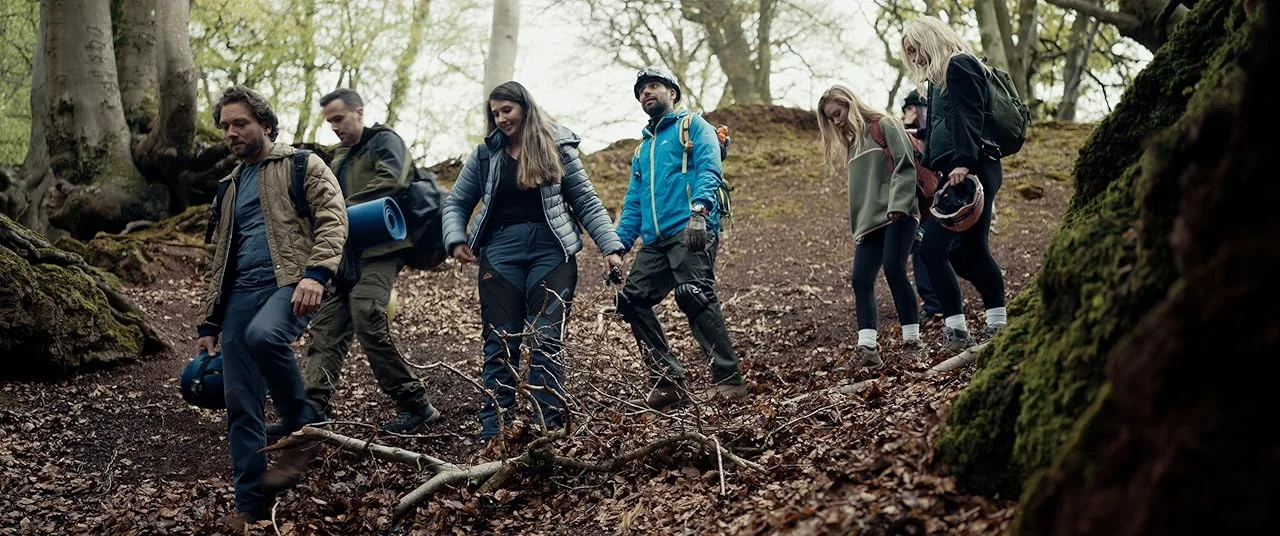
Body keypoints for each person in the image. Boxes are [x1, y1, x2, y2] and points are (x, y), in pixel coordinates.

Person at [196, 85, 348, 529]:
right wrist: (209, 321)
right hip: (239, 295)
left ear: (265, 124)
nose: (231, 133)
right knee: (240, 403)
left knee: (266, 335)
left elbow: (333, 219)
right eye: (225, 126)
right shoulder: (228, 187)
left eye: (240, 123)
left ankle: (303, 428)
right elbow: (218, 257)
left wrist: (316, 274)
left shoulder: (303, 165)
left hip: (292, 282)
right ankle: (250, 506)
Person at [442, 81, 625, 441]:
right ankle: (495, 431)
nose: (501, 118)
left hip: (552, 252)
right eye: (495, 113)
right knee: (500, 341)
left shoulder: (558, 147)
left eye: (507, 110)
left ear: (525, 107)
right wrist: (456, 239)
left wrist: (611, 248)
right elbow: (456, 202)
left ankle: (550, 428)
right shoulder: (486, 155)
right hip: (500, 254)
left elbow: (587, 202)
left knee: (545, 340)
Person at [293, 88, 440, 434]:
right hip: (346, 253)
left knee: (368, 314)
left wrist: (340, 210)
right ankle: (313, 408)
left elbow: (393, 180)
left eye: (339, 119)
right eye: (329, 122)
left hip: (383, 248)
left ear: (358, 112)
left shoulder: (385, 141)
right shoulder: (340, 156)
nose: (334, 127)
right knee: (326, 327)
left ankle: (415, 404)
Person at [614, 66, 745, 411]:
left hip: (691, 227)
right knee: (632, 301)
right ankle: (667, 382)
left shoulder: (694, 125)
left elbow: (710, 169)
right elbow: (633, 202)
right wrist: (618, 246)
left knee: (693, 293)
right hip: (655, 240)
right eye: (641, 90)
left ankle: (729, 380)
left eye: (653, 86)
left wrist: (699, 211)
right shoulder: (642, 150)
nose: (646, 92)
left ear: (672, 93)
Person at [902, 16, 1008, 350]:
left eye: (915, 49)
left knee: (932, 250)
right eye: (909, 53)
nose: (914, 58)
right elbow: (945, 125)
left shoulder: (959, 65)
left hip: (971, 169)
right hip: (958, 170)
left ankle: (960, 331)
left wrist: (963, 162)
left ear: (930, 39)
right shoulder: (938, 80)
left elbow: (970, 116)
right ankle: (996, 322)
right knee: (968, 253)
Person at [817, 85, 922, 368]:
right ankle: (867, 350)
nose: (836, 121)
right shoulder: (853, 144)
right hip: (869, 225)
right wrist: (859, 225)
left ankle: (913, 342)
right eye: (831, 118)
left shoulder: (885, 125)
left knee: (894, 269)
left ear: (849, 103)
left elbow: (905, 165)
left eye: (837, 114)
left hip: (898, 214)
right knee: (860, 280)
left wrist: (898, 205)